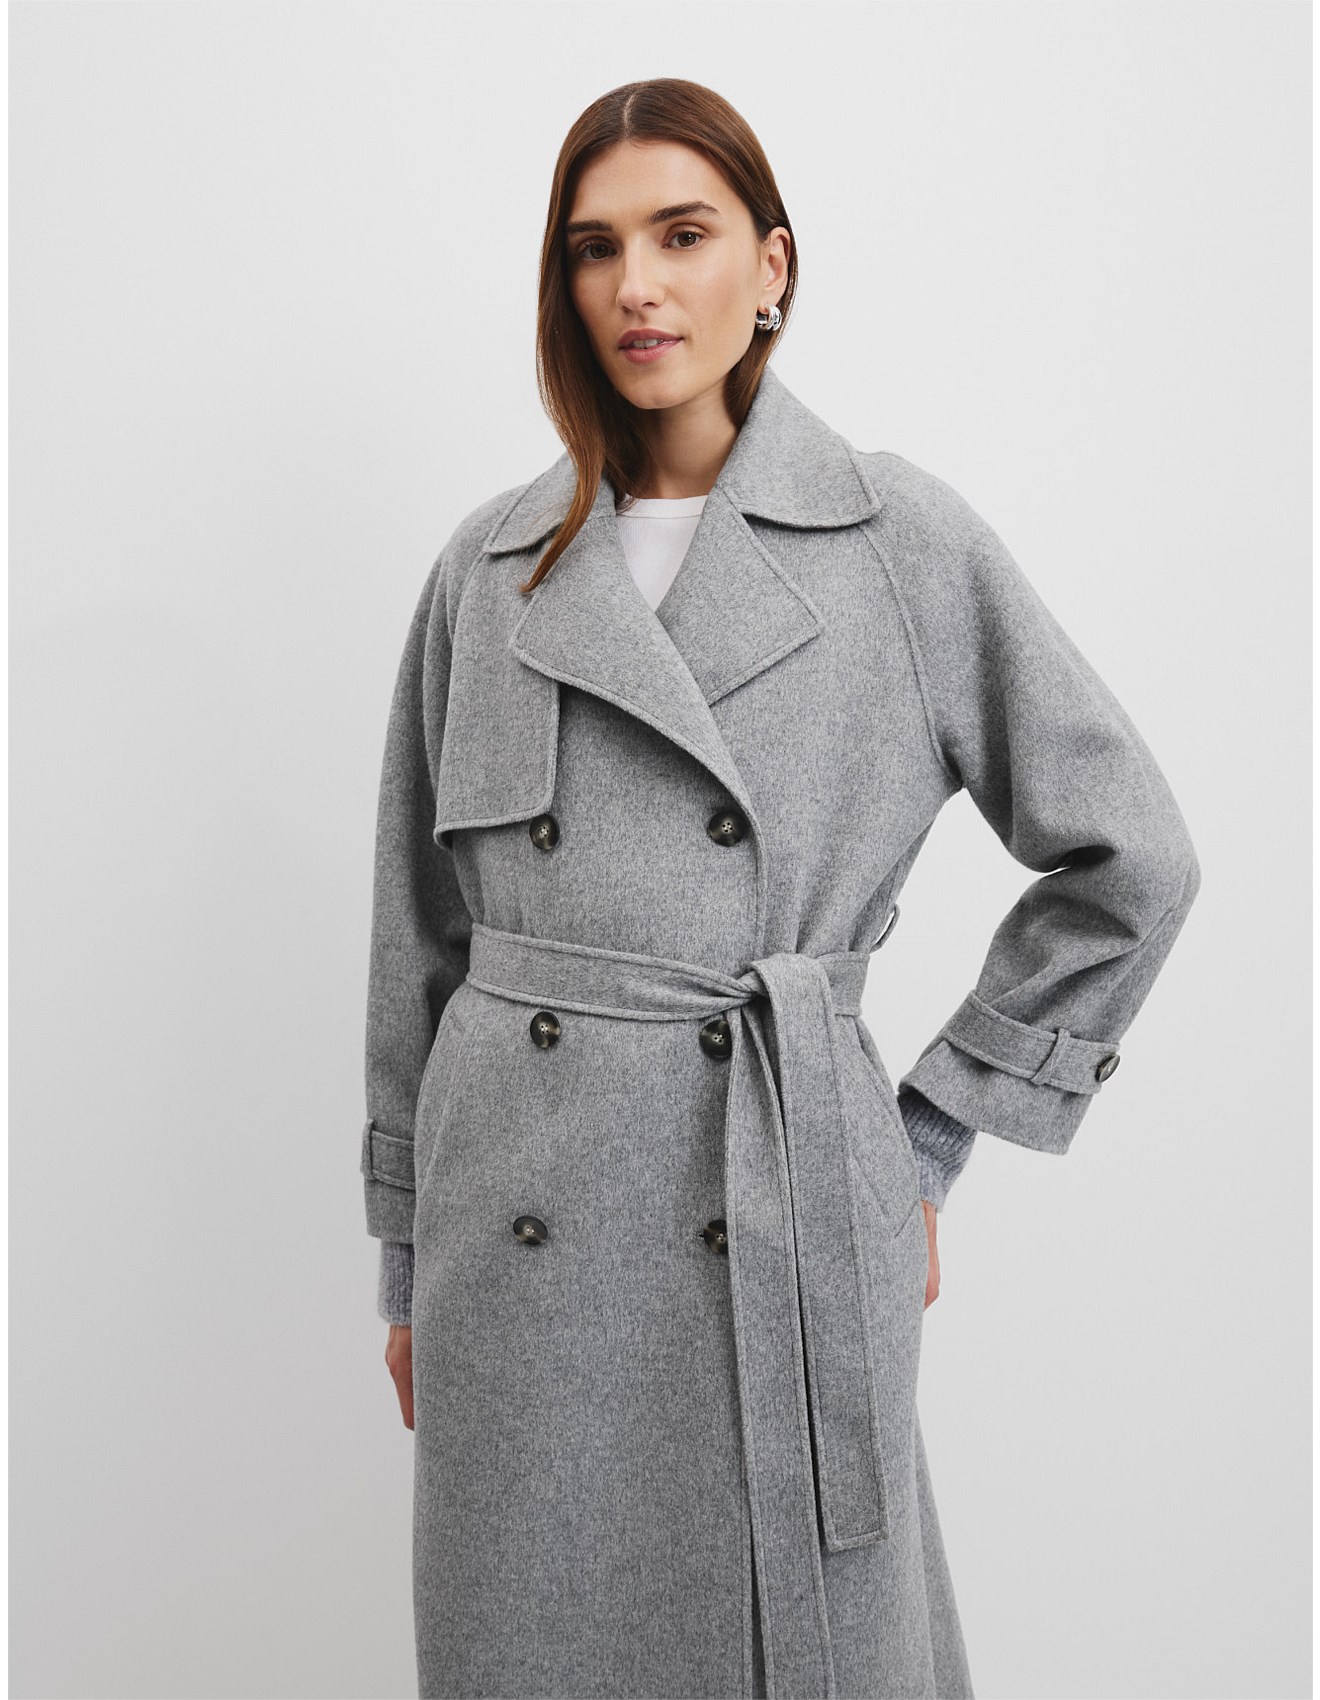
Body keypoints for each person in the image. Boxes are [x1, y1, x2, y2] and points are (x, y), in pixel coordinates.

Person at [358, 78, 1200, 1700]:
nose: (638, 286)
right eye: (595, 247)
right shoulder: (485, 568)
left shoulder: (899, 541)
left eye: (683, 235)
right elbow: (418, 939)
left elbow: (1132, 855)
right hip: (509, 1242)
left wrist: (924, 1141)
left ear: (773, 266)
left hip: (776, 1189)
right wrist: (405, 1262)